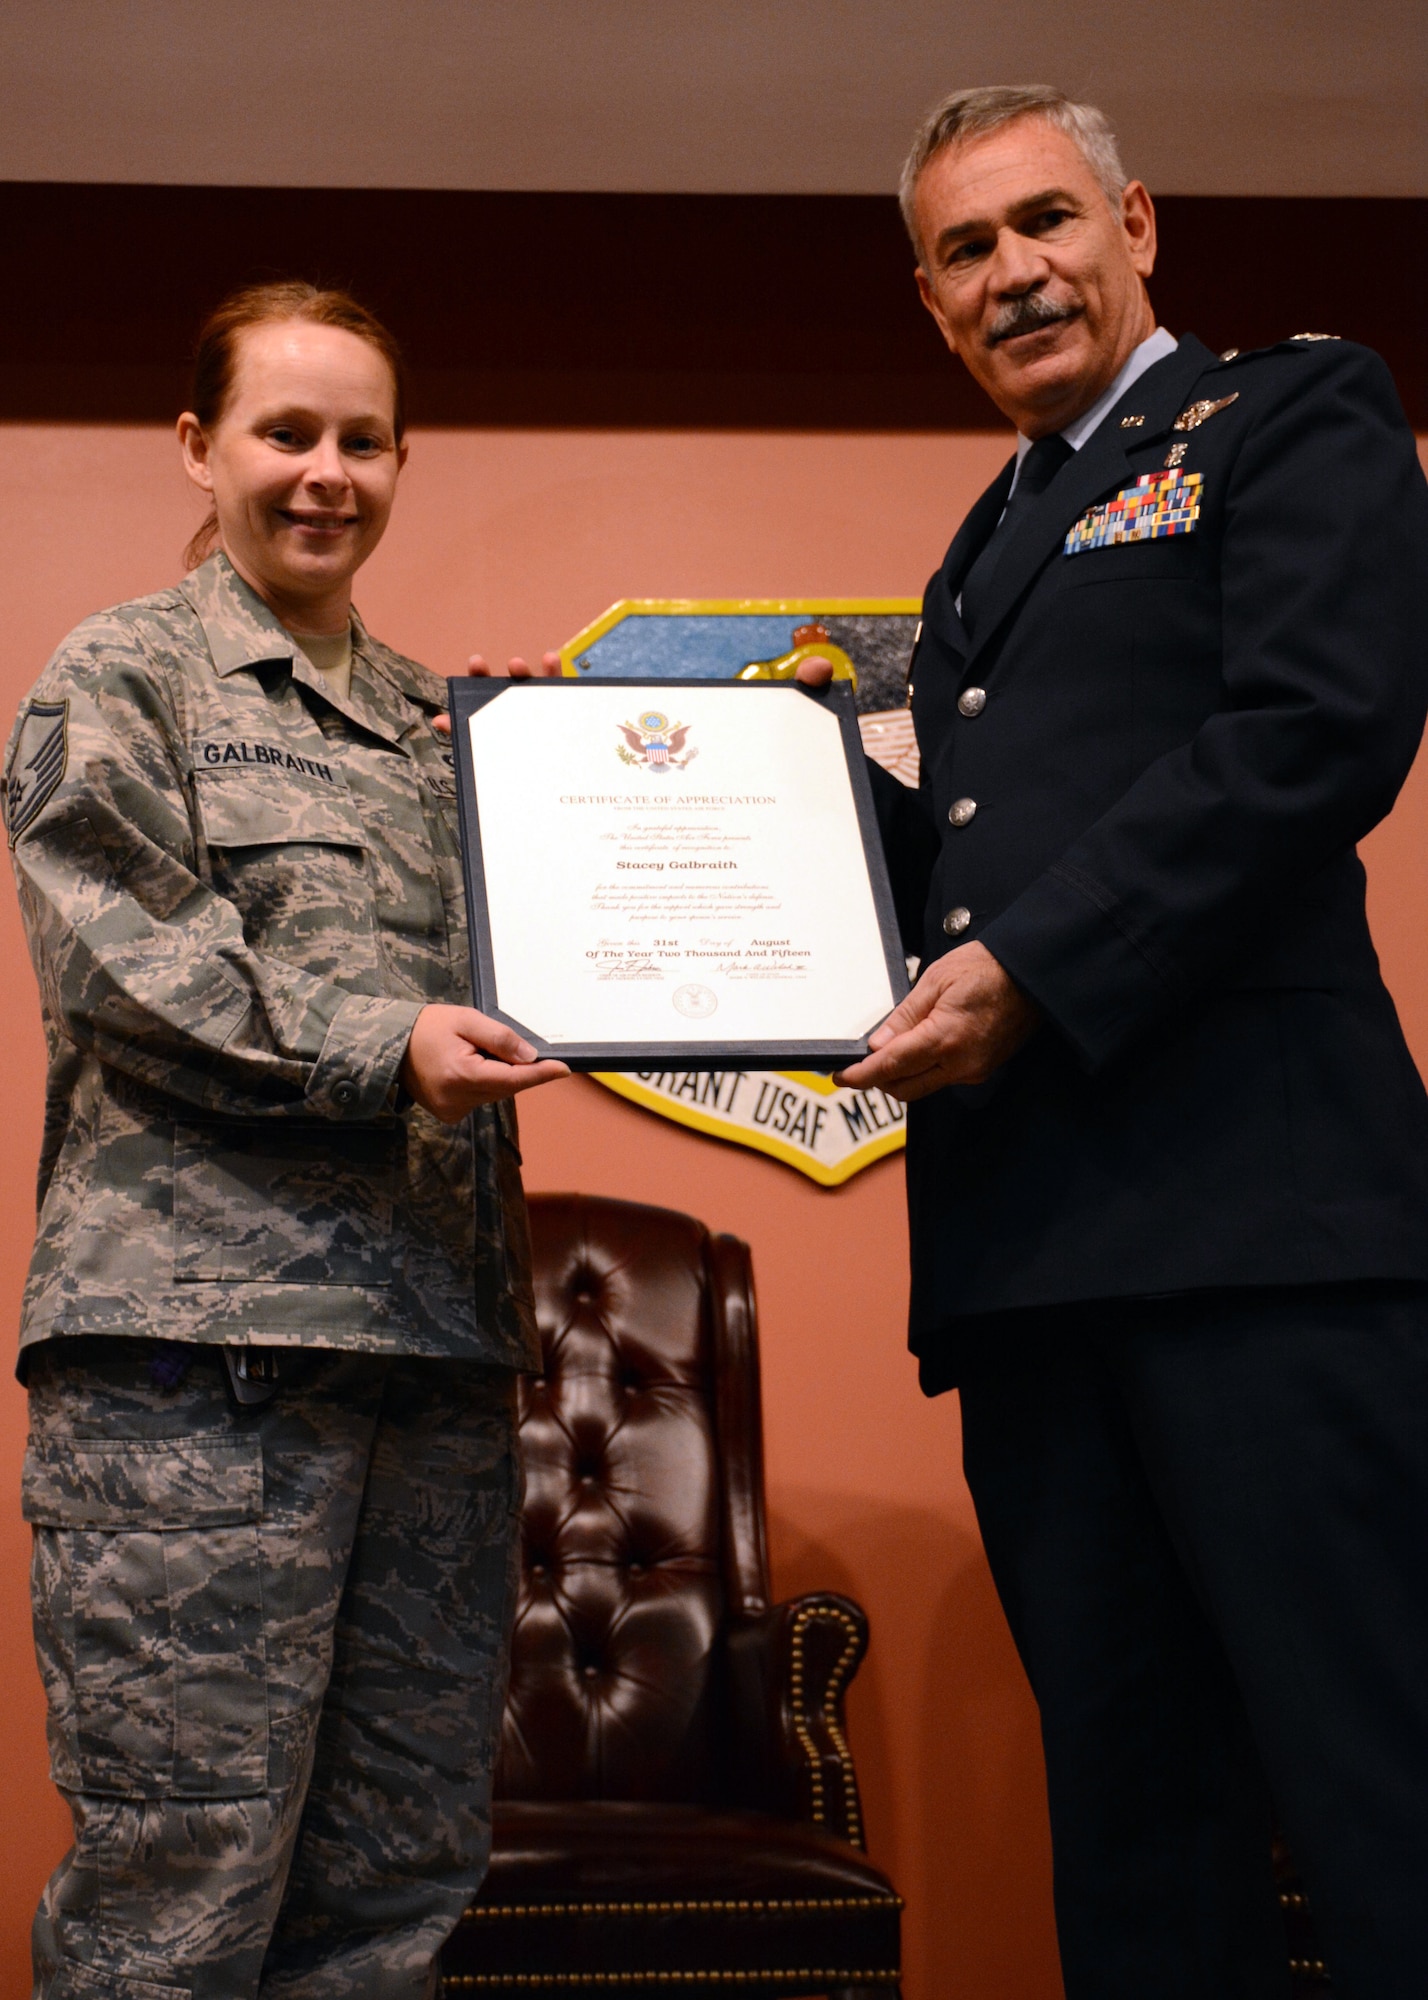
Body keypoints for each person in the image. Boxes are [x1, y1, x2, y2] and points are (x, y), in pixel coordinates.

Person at [820, 84, 1428, 2000]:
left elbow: (1313, 733)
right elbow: (969, 865)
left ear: (1137, 221)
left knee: (1374, 1764)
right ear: (928, 304)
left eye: (1043, 222)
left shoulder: (1289, 413)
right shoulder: (979, 544)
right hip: (1037, 1256)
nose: (1015, 274)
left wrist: (1033, 976)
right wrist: (610, 791)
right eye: (967, 253)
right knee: (1135, 1800)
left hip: (1262, 1232)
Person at [4, 280, 568, 1999]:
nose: (326, 473)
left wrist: (589, 824)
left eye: (362, 439)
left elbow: (549, 976)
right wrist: (381, 1044)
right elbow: (120, 966)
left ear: (403, 459)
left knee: (396, 1886)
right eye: (285, 432)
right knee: (182, 1891)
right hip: (204, 1372)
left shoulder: (445, 725)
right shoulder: (126, 674)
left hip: (435, 1362)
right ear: (201, 445)